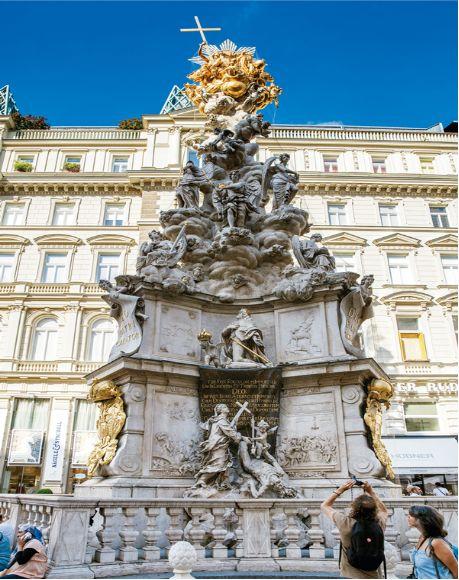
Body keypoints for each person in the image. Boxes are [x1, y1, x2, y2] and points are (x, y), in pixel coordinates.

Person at [321, 479, 388, 578]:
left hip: (350, 574)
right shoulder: (379, 523)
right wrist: (371, 491)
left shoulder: (345, 522)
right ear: (374, 509)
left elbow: (325, 505)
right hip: (374, 574)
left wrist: (341, 490)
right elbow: (384, 510)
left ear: (354, 508)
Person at [408, 505, 458, 579]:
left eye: (411, 515)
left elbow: (457, 573)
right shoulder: (423, 538)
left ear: (422, 519)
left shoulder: (437, 543)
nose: (408, 517)